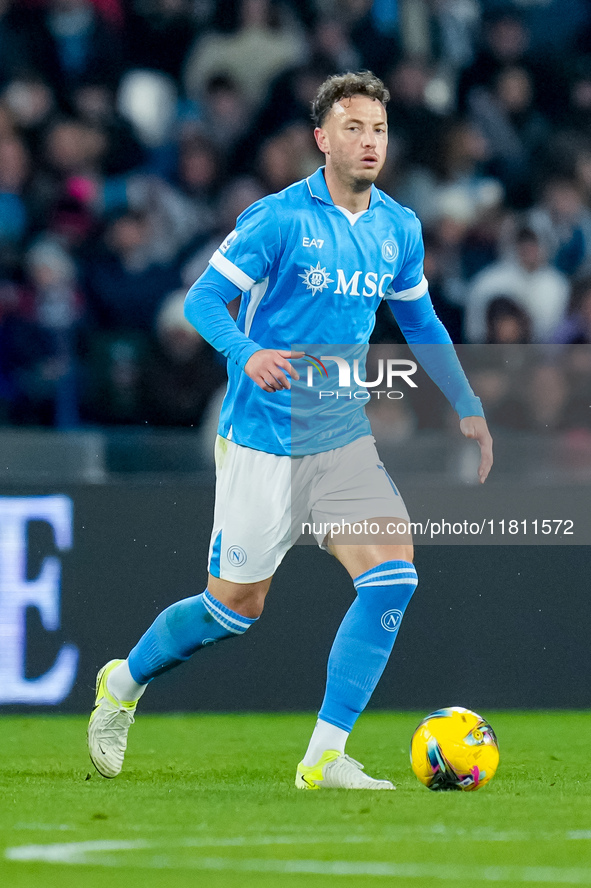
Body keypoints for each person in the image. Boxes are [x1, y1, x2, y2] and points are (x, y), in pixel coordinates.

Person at [88, 71, 492, 790]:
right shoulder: (277, 219)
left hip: (341, 438)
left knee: (392, 578)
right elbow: (202, 300)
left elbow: (421, 321)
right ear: (321, 139)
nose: (369, 142)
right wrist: (247, 354)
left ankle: (323, 757)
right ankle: (123, 682)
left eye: (378, 129)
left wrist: (465, 401)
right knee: (231, 610)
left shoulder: (397, 226)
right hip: (262, 439)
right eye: (353, 128)